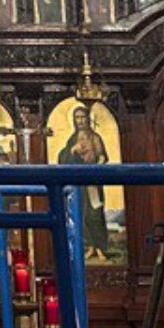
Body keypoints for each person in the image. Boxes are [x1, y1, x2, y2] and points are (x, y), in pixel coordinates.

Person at [56, 104, 115, 259]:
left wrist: (97, 165)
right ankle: (90, 246)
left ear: (88, 119)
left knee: (95, 214)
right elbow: (63, 158)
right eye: (77, 118)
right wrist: (72, 150)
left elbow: (102, 156)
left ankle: (100, 247)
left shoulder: (95, 138)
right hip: (79, 183)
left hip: (93, 182)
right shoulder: (72, 139)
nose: (80, 120)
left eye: (83, 117)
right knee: (81, 214)